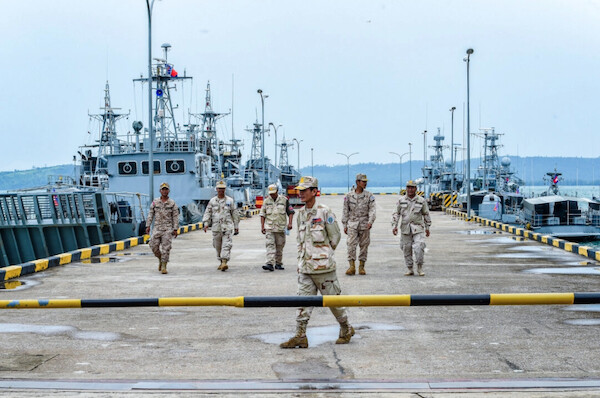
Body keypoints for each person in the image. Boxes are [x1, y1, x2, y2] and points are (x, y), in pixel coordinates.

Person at [280, 176, 354, 349]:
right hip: (306, 268)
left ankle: (346, 328)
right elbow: (300, 241)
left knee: (334, 303)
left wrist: (323, 255)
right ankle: (300, 336)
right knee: (302, 303)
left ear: (314, 191)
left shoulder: (324, 212)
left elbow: (335, 236)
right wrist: (301, 262)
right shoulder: (301, 214)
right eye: (300, 190)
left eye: (305, 190)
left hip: (323, 269)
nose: (301, 193)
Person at [392, 180, 432, 276]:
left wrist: (427, 227)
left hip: (418, 228)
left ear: (416, 189)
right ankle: (410, 268)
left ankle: (419, 267)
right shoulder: (401, 201)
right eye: (408, 187)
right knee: (406, 248)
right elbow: (396, 214)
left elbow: (426, 214)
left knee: (419, 247)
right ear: (406, 188)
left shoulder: (421, 201)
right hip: (405, 228)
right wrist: (394, 226)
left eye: (412, 187)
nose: (410, 189)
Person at [342, 173, 376, 275]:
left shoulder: (369, 196)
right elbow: (345, 211)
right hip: (352, 224)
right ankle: (351, 266)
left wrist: (370, 221)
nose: (365, 183)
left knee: (364, 245)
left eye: (366, 182)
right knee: (351, 245)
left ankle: (362, 266)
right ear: (357, 182)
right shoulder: (348, 196)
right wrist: (344, 225)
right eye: (363, 181)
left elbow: (372, 210)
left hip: (364, 224)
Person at [203, 180, 240, 271]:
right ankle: (220, 261)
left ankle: (224, 261)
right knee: (217, 246)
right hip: (216, 227)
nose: (221, 190)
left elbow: (235, 213)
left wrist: (236, 226)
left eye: (223, 189)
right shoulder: (212, 201)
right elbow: (208, 212)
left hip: (227, 227)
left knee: (226, 245)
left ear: (225, 189)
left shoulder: (230, 201)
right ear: (216, 189)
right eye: (219, 188)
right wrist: (206, 223)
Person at [145, 182, 179, 274]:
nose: (164, 191)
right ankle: (160, 258)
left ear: (168, 191)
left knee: (166, 248)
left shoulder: (172, 203)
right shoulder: (155, 202)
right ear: (160, 191)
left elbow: (175, 216)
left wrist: (175, 229)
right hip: (157, 228)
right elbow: (150, 214)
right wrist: (148, 225)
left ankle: (164, 265)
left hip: (168, 229)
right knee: (153, 245)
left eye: (166, 189)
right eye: (163, 189)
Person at [260, 184, 295, 271]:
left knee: (279, 247)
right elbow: (262, 214)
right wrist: (262, 226)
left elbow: (290, 212)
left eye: (273, 193)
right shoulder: (266, 201)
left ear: (277, 191)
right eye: (270, 193)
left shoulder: (284, 200)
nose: (272, 195)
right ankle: (270, 263)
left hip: (280, 228)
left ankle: (278, 263)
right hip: (269, 227)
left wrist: (290, 223)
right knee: (270, 245)